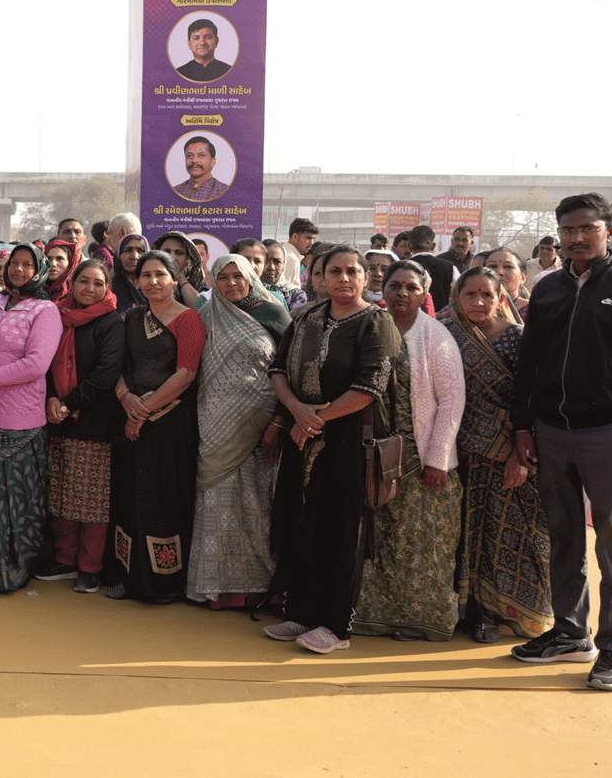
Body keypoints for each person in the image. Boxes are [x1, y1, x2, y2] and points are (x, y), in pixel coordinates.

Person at [510, 194, 612, 690]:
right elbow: (529, 364)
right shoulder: (547, 289)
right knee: (563, 537)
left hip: (610, 435)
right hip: (551, 433)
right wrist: (524, 425)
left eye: (587, 228)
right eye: (568, 230)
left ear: (609, 231)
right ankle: (569, 633)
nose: (577, 238)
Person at [264, 245, 402, 654]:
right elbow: (277, 368)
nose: (343, 278)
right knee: (302, 521)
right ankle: (302, 612)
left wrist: (314, 419)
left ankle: (336, 625)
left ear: (365, 277)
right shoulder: (306, 316)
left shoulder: (376, 322)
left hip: (349, 440)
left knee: (341, 529)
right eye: (334, 271)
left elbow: (370, 386)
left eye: (352, 271)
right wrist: (296, 410)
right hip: (302, 434)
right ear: (319, 278)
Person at [353, 260, 466, 642]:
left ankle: (424, 622)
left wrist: (437, 460)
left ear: (424, 293)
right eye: (395, 285)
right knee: (378, 541)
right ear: (382, 289)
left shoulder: (435, 336)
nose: (402, 293)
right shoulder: (372, 326)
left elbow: (452, 400)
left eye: (412, 287)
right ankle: (373, 617)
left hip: (421, 460)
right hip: (374, 454)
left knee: (421, 544)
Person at [445, 266, 553, 644]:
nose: (478, 302)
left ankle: (506, 612)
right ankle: (469, 612)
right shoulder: (446, 335)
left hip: (511, 452)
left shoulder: (520, 338)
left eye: (486, 294)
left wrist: (519, 457)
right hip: (460, 453)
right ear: (457, 297)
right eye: (469, 294)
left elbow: (534, 398)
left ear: (500, 297)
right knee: (465, 534)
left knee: (513, 534)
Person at [188, 254, 289, 609]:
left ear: (250, 278)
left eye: (238, 276)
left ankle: (258, 586)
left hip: (261, 427)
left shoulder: (273, 313)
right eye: (223, 277)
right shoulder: (206, 316)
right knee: (217, 497)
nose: (231, 283)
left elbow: (289, 368)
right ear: (213, 282)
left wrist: (278, 421)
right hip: (214, 425)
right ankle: (217, 587)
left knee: (256, 503)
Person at [104, 249, 205, 602]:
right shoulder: (132, 317)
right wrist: (125, 399)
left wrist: (143, 410)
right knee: (128, 496)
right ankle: (125, 575)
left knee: (160, 500)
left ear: (175, 279)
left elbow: (186, 374)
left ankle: (163, 581)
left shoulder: (189, 319)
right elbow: (117, 365)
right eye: (145, 275)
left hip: (169, 424)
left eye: (160, 274)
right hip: (129, 420)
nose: (152, 281)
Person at [0, 244, 60, 593]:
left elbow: (36, 364)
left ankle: (12, 570)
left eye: (27, 264)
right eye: (13, 263)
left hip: (20, 420)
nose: (18, 269)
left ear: (39, 270)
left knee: (14, 500)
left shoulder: (45, 310)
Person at [37, 259, 123, 594]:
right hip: (58, 422)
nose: (90, 288)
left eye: (98, 283)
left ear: (107, 287)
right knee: (61, 497)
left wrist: (68, 403)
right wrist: (50, 398)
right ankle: (65, 559)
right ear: (72, 284)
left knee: (92, 502)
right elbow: (44, 362)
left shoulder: (110, 322)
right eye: (84, 281)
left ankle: (89, 567)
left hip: (93, 425)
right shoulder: (58, 315)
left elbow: (106, 373)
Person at [406, 225, 458, 311]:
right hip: (441, 317)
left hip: (409, 316)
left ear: (409, 247)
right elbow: (458, 293)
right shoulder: (450, 267)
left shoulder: (401, 267)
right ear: (433, 246)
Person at [152, 231, 208, 309]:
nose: (172, 257)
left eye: (179, 253)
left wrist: (181, 277)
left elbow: (202, 310)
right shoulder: (147, 276)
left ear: (187, 258)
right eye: (166, 251)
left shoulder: (196, 281)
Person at [173, 136, 230, 202]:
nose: (194, 160)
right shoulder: (175, 191)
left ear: (213, 162)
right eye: (189, 156)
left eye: (201, 155)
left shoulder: (225, 192)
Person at [175, 18, 232, 82]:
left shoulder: (230, 71)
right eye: (196, 38)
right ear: (189, 44)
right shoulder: (178, 73)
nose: (202, 43)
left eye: (208, 37)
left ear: (216, 41)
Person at [484, 248, 531, 320]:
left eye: (508, 267)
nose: (499, 272)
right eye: (492, 266)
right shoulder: (472, 308)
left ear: (523, 278)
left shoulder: (534, 310)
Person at [110, 233, 149, 312]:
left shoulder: (155, 285)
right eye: (127, 250)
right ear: (118, 255)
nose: (134, 257)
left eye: (141, 250)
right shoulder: (110, 288)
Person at [44, 239, 77, 303]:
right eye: (48, 259)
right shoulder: (35, 290)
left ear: (70, 263)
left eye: (59, 258)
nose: (53, 264)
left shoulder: (76, 290)